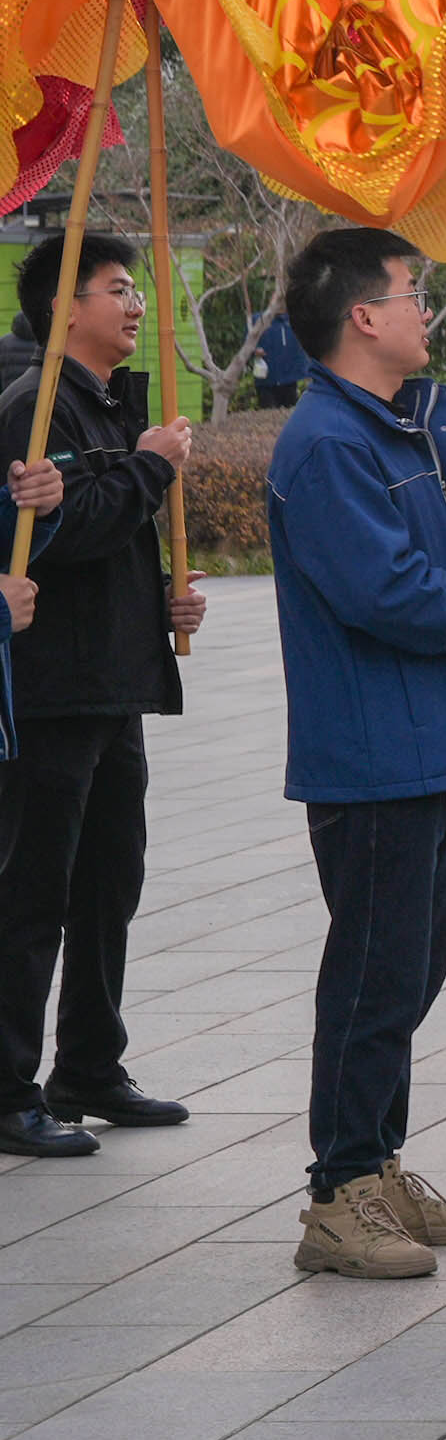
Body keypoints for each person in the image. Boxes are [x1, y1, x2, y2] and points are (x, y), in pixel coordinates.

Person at [262, 228, 446, 1280]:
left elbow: (430, 551)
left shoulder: (394, 430)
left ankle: (376, 1164)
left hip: (427, 740)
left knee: (410, 967)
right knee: (375, 973)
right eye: (410, 292)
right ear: (363, 318)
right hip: (373, 745)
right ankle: (338, 1192)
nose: (426, 307)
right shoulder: (328, 444)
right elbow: (383, 593)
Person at [0, 232, 207, 1159]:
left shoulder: (111, 405)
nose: (135, 307)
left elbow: (107, 533)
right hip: (54, 689)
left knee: (108, 884)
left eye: (136, 291)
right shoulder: (33, 407)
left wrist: (165, 597)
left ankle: (89, 1062)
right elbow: (57, 533)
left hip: (112, 683)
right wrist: (152, 465)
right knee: (33, 890)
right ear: (62, 307)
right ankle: (8, 1086)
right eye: (118, 290)